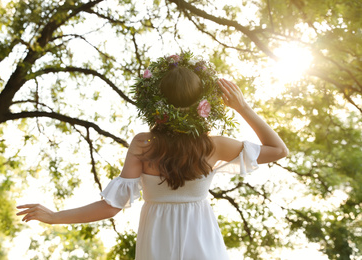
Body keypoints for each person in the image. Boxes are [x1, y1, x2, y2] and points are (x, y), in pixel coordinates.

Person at [16, 52, 288, 260]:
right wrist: (242, 107)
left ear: (157, 101)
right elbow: (278, 150)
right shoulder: (214, 146)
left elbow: (112, 206)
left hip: (157, 241)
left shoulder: (144, 144)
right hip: (203, 241)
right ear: (203, 101)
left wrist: (55, 216)